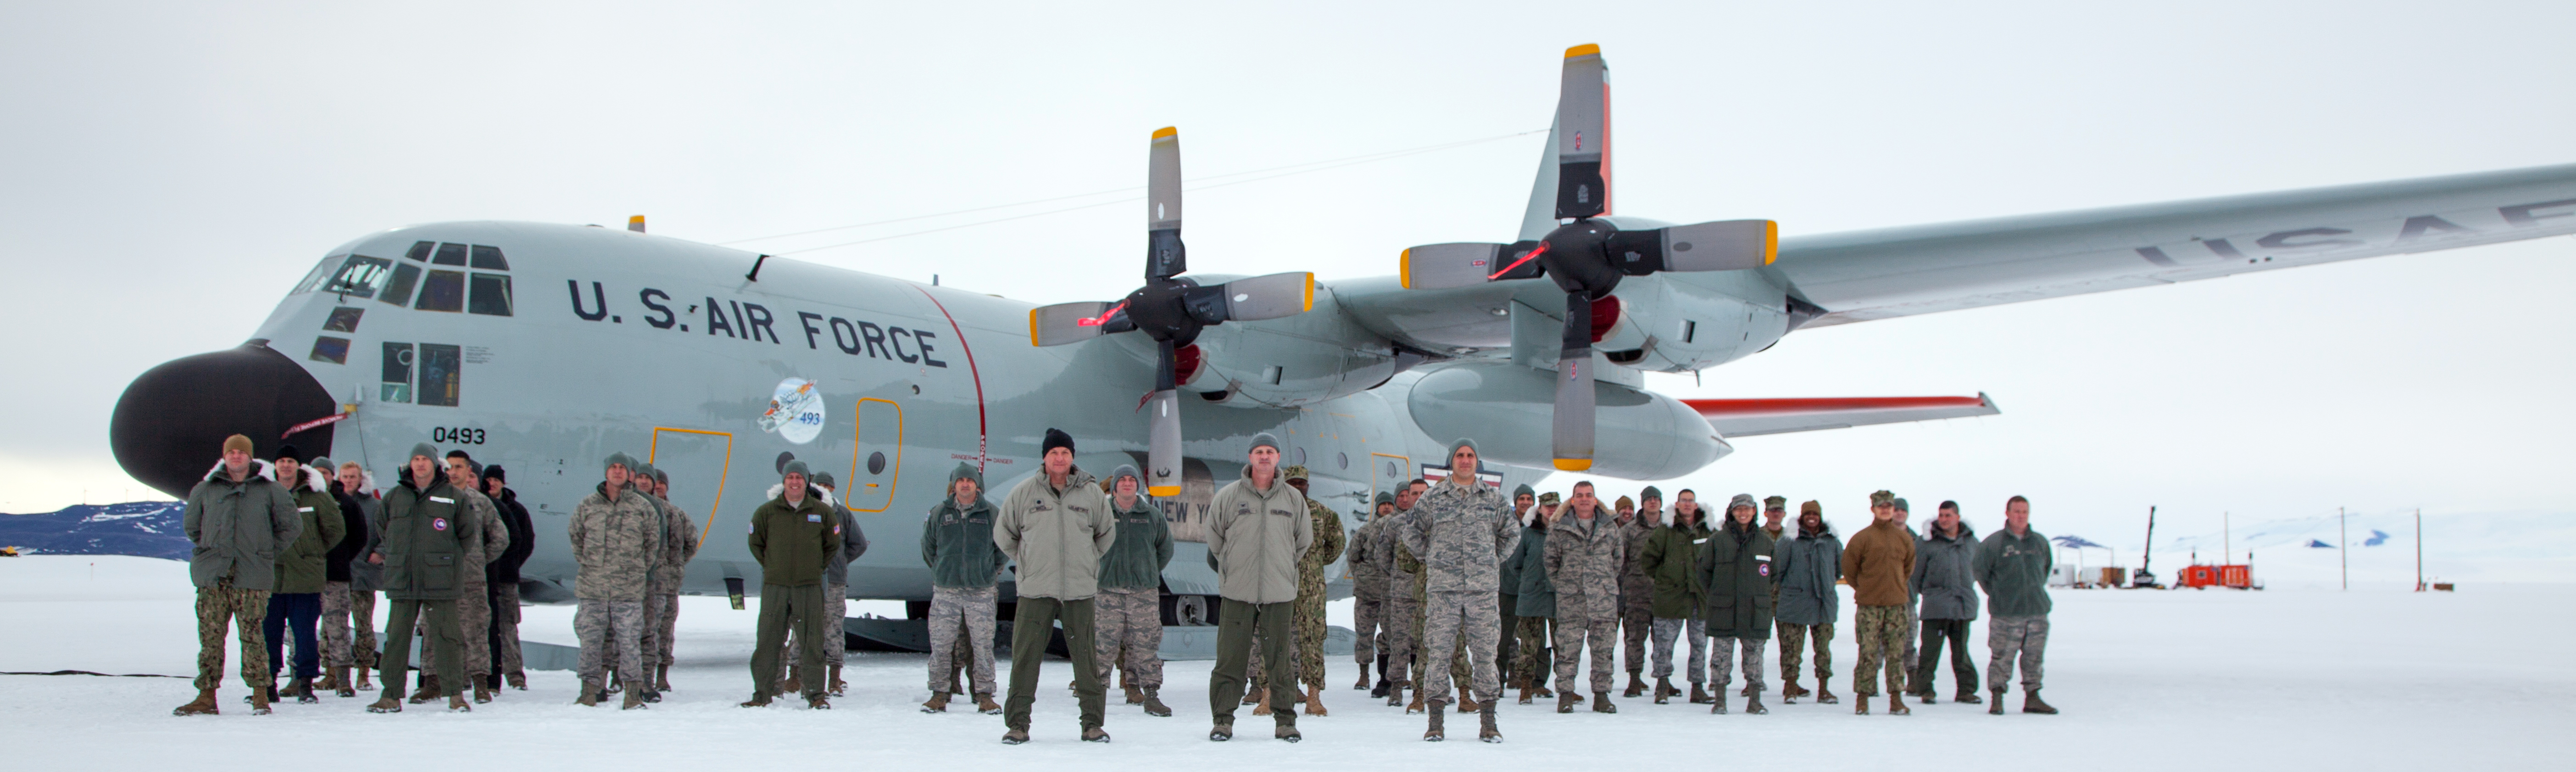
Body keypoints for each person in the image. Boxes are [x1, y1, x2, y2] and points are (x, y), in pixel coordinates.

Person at [995, 429, 1117, 744]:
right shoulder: (1023, 492)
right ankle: (1018, 725)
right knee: (1025, 659)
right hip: (1036, 590)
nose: (1059, 458)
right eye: (1053, 453)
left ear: (1072, 457)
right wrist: (1028, 560)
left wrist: (1086, 560)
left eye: (1064, 453)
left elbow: (1105, 535)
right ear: (1044, 458)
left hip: (1079, 591)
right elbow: (1004, 534)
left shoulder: (1091, 495)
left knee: (1086, 662)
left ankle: (1092, 724)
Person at [174, 434, 301, 716]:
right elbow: (193, 528)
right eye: (231, 452)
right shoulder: (205, 490)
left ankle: (260, 694)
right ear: (225, 457)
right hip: (213, 576)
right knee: (210, 637)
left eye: (241, 453)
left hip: (252, 577)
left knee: (255, 636)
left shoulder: (271, 490)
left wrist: (264, 552)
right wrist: (211, 552)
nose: (236, 456)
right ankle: (206, 695)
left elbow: (291, 526)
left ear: (250, 457)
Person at [1400, 439, 1518, 742]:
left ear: (1476, 461)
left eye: (1470, 456)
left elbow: (1511, 534)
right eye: (1459, 456)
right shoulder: (1433, 497)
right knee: (1438, 654)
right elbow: (1411, 532)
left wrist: (1490, 560)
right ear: (1450, 461)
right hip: (1444, 591)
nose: (1465, 460)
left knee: (1484, 655)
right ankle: (1435, 722)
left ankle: (1488, 722)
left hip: (1482, 590)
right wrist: (1433, 557)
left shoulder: (1493, 498)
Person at [1203, 432, 1313, 742]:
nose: (1264, 457)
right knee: (1230, 660)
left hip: (1278, 593)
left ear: (1278, 458)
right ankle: (1222, 720)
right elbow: (1214, 539)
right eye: (1259, 452)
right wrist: (1231, 566)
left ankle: (1285, 722)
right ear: (1250, 457)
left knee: (1280, 660)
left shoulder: (1293, 500)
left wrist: (1283, 566)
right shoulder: (1228, 496)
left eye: (1270, 452)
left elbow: (1302, 542)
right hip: (1238, 591)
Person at [369, 443, 488, 713]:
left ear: (436, 464)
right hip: (403, 578)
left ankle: (455, 694)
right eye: (416, 459)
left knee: (448, 637)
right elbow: (383, 529)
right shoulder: (394, 497)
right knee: (397, 636)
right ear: (411, 464)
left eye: (426, 459)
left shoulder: (453, 497)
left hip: (440, 579)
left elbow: (467, 535)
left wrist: (447, 559)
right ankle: (390, 694)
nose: (421, 464)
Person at [569, 452, 662, 710]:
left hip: (628, 589)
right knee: (590, 642)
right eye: (613, 467)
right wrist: (593, 565)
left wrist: (634, 570)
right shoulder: (587, 506)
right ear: (606, 472)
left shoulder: (643, 508)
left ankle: (632, 693)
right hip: (593, 587)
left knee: (630, 642)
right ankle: (588, 691)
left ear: (629, 473)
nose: (618, 471)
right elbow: (577, 539)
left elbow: (652, 545)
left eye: (623, 467)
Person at [744, 460, 839, 709]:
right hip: (776, 586)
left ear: (806, 482)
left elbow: (832, 546)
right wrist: (775, 566)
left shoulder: (822, 512)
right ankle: (762, 693)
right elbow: (756, 544)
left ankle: (816, 695)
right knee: (768, 641)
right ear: (783, 481)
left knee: (812, 642)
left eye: (799, 478)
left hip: (808, 587)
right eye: (790, 477)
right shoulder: (766, 512)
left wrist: (814, 568)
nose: (794, 482)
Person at [261, 447, 345, 706]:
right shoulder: (264, 494)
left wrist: (313, 552)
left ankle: (306, 684)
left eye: (291, 461)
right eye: (282, 461)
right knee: (269, 633)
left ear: (299, 466)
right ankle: (268, 685)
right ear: (275, 465)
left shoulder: (316, 496)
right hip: (271, 577)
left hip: (305, 577)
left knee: (305, 633)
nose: (286, 466)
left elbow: (335, 529)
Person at [919, 463, 1005, 715]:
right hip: (947, 591)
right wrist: (942, 571)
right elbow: (928, 547)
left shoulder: (991, 513)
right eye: (960, 481)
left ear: (977, 484)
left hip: (981, 591)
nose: (965, 484)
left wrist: (989, 571)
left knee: (983, 645)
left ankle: (985, 695)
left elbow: (1002, 549)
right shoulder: (939, 513)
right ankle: (939, 694)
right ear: (954, 485)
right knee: (942, 644)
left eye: (970, 480)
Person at [1093, 464, 1174, 716]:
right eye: (1122, 480)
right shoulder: (1101, 514)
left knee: (1146, 645)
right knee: (1102, 646)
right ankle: (1096, 697)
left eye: (1132, 480)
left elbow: (1165, 549)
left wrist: (1147, 570)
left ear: (1138, 485)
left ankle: (1151, 694)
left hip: (1143, 593)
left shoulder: (1152, 515)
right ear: (1115, 485)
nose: (1127, 484)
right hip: (1107, 591)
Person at [1543, 481, 1624, 714]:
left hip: (1603, 601)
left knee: (1603, 650)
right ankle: (1566, 695)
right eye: (1580, 496)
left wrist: (1602, 583)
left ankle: (1601, 696)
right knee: (1568, 649)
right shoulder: (1559, 528)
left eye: (1589, 495)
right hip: (1572, 600)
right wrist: (1566, 585)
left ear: (1596, 500)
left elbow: (1617, 561)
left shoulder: (1610, 528)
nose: (1585, 499)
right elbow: (1551, 562)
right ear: (1573, 500)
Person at [439, 451, 511, 705]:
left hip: (471, 580)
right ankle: (433, 683)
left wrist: (479, 559)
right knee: (435, 630)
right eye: (450, 467)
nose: (454, 472)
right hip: (439, 579)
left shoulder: (480, 502)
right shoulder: (434, 500)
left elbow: (501, 537)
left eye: (459, 467)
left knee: (477, 631)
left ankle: (481, 684)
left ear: (469, 471)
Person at [1974, 495, 2056, 715]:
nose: (2021, 516)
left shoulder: (2039, 543)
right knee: (2002, 657)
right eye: (2017, 511)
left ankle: (2033, 697)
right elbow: (1981, 572)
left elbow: (2045, 570)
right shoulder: (1994, 543)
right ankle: (1998, 697)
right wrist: (2001, 595)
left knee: (2034, 658)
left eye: (2025, 512)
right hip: (2006, 613)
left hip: (2037, 611)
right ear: (2008, 513)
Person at [1697, 493, 1776, 715]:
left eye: (1748, 509)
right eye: (1739, 509)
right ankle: (1720, 701)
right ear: (1732, 512)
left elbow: (1773, 575)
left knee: (1755, 658)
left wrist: (1756, 594)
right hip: (1725, 609)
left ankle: (1755, 701)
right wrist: (1718, 594)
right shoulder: (1718, 541)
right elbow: (1704, 572)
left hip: (1754, 610)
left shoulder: (1765, 542)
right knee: (1721, 657)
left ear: (1754, 512)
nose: (1743, 513)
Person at [1842, 490, 1916, 715]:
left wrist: (1895, 588)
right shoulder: (1862, 539)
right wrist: (1866, 590)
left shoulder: (1904, 538)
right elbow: (1850, 570)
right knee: (1868, 652)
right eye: (1880, 506)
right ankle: (1863, 699)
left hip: (1896, 606)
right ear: (1873, 509)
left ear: (1893, 509)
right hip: (1869, 607)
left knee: (1896, 653)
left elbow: (1908, 568)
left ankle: (1896, 699)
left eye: (1888, 506)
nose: (1885, 510)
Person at [1282, 465, 1347, 716]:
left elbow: (1337, 543)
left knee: (1312, 641)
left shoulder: (1323, 513)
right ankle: (1269, 695)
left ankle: (1314, 697)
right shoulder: (1277, 511)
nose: (1299, 487)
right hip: (1281, 585)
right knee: (1276, 640)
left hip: (1312, 592)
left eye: (1302, 483)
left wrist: (1316, 563)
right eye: (1293, 483)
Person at [1639, 487, 1710, 705]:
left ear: (1696, 505)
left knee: (1700, 644)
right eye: (1683, 501)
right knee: (1664, 644)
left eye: (1691, 501)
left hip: (1699, 597)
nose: (1687, 505)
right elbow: (1648, 560)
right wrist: (1664, 579)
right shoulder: (1665, 531)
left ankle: (1697, 687)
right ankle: (1662, 685)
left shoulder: (1707, 531)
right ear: (1677, 505)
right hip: (1671, 597)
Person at [1909, 500, 1981, 705]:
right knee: (1930, 652)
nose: (1944, 520)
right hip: (1936, 607)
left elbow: (1979, 570)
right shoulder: (1925, 543)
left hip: (1962, 607)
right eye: (1941, 515)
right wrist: (1927, 594)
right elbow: (1915, 574)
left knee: (1962, 652)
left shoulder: (1971, 542)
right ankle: (1926, 690)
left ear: (1958, 517)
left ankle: (1966, 691)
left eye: (1948, 516)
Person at [311, 455, 369, 699]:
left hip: (336, 575)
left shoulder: (345, 502)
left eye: (326, 472)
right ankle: (321, 674)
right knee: (304, 629)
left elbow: (360, 536)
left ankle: (344, 679)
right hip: (306, 576)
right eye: (318, 472)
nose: (322, 476)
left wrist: (342, 557)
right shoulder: (303, 499)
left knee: (338, 628)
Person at [1775, 500, 1841, 705]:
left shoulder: (1832, 542)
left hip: (1823, 603)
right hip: (1795, 603)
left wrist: (1826, 584)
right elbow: (1778, 570)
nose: (1812, 517)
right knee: (1792, 650)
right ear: (1802, 517)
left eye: (1816, 514)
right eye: (1808, 514)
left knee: (1823, 650)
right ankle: (1791, 688)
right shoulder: (1789, 541)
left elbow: (1839, 569)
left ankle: (1824, 690)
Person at [481, 465, 535, 691]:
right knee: (481, 628)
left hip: (506, 579)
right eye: (489, 479)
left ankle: (514, 676)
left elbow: (525, 543)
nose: (492, 483)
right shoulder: (478, 505)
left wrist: (511, 565)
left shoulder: (517, 511)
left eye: (496, 480)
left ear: (503, 482)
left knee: (508, 627)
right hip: (482, 580)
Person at [332, 460, 384, 694]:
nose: (349, 481)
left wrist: (381, 553)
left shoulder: (375, 506)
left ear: (361, 479)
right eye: (345, 476)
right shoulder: (332, 502)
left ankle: (364, 672)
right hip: (336, 574)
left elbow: (390, 532)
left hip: (364, 575)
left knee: (364, 625)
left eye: (353, 477)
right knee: (333, 626)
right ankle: (332, 673)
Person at [810, 473, 863, 697]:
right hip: (808, 580)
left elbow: (858, 544)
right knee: (803, 627)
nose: (824, 490)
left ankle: (834, 677)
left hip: (833, 581)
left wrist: (838, 561)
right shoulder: (805, 512)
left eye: (828, 487)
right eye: (820, 486)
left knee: (833, 629)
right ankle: (795, 676)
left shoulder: (842, 514)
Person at [1375, 481, 1425, 707]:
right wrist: (1400, 575)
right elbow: (1382, 555)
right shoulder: (1395, 525)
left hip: (1430, 593)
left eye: (1423, 493)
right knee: (1400, 642)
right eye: (1413, 494)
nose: (1417, 497)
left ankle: (1423, 688)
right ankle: (1396, 687)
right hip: (1402, 593)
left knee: (1427, 643)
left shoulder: (1439, 523)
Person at [1509, 493, 1557, 704]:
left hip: (1559, 597)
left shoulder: (1564, 533)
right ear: (1540, 509)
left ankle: (1563, 686)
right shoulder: (1527, 534)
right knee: (1528, 645)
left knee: (1563, 645)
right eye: (1548, 506)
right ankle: (1526, 686)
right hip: (1532, 596)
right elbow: (1515, 564)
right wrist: (1529, 582)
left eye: (1556, 506)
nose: (1552, 510)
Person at [1346, 492, 1395, 695]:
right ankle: (1364, 675)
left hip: (1389, 593)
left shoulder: (1398, 529)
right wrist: (1363, 575)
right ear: (1376, 508)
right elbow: (1353, 556)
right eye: (1382, 505)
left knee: (1391, 636)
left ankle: (1392, 675)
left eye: (1389, 505)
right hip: (1367, 594)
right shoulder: (1365, 531)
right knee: (1364, 636)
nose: (1386, 508)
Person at [1615, 486, 1661, 698]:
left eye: (1656, 499)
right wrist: (1630, 582)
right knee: (1635, 638)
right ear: (1642, 503)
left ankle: (1663, 680)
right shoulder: (1629, 531)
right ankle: (1634, 680)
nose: (1653, 502)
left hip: (1664, 595)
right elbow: (1619, 562)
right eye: (1648, 499)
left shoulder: (1668, 528)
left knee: (1663, 639)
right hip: (1637, 595)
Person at [1493, 485, 1533, 693]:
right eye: (1522, 499)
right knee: (1503, 637)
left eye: (1529, 499)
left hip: (1532, 591)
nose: (1525, 502)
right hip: (1507, 588)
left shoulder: (1539, 525)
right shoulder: (1505, 523)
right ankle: (1498, 680)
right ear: (1515, 502)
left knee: (1533, 638)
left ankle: (1526, 679)